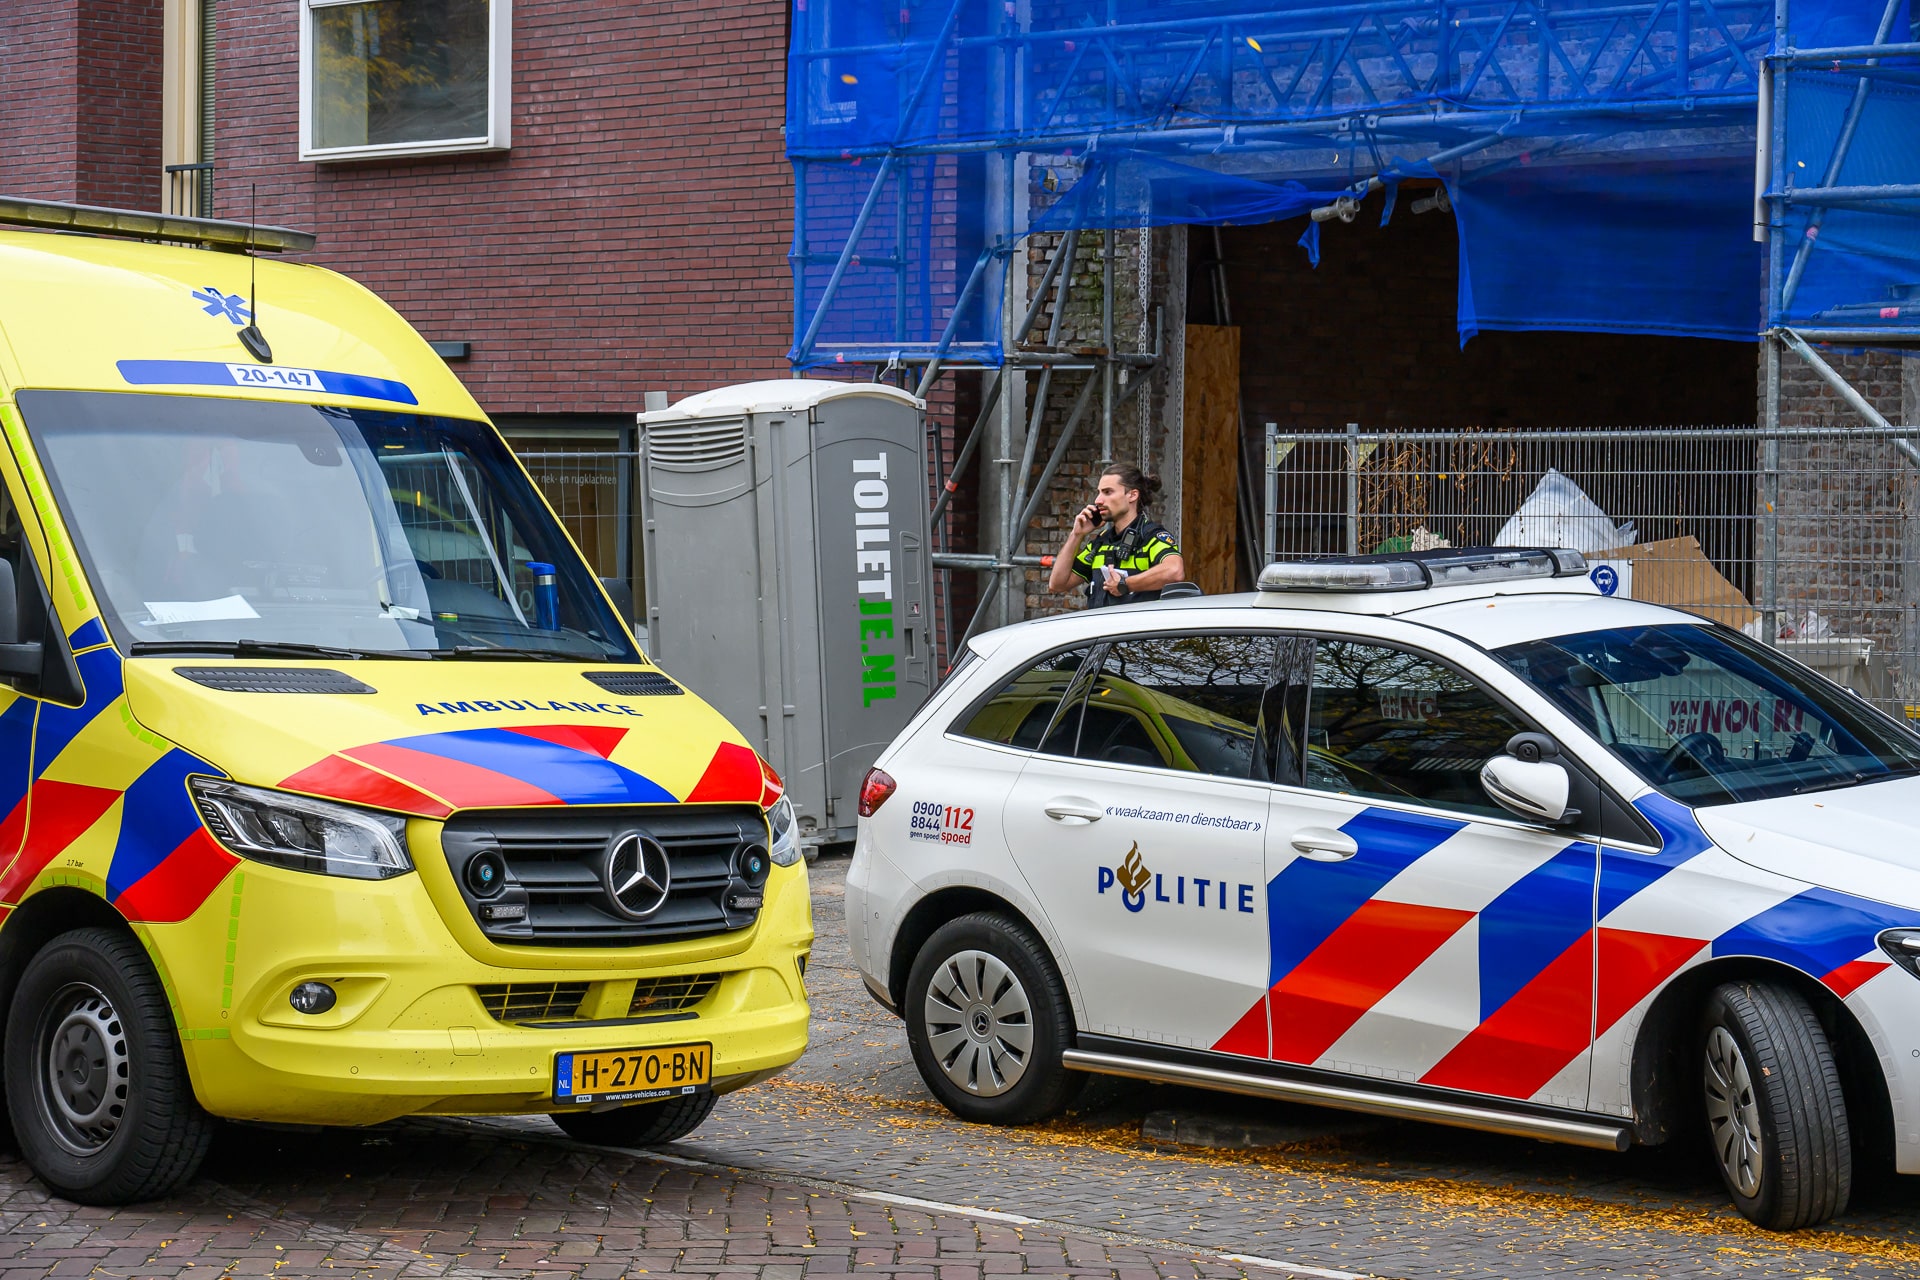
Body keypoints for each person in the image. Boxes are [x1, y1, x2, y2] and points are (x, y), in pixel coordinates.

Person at [1048, 462, 1186, 607]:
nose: (1098, 500)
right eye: (1099, 492)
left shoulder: (1151, 536)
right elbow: (1057, 584)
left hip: (1137, 629)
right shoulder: (1101, 543)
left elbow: (1175, 571)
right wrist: (1076, 534)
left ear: (1132, 495)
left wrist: (1125, 584)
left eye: (1107, 492)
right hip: (1103, 629)